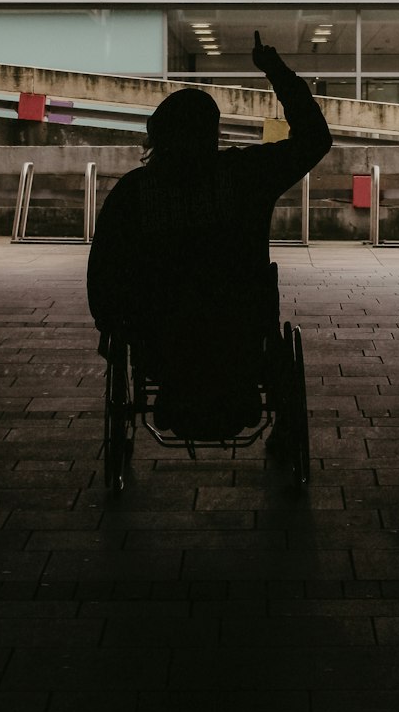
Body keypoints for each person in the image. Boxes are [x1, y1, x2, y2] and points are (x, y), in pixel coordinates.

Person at [87, 31, 332, 441]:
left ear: (157, 138)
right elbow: (315, 139)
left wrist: (111, 327)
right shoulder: (244, 176)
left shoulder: (134, 192)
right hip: (240, 336)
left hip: (162, 343)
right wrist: (275, 71)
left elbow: (105, 268)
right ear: (213, 135)